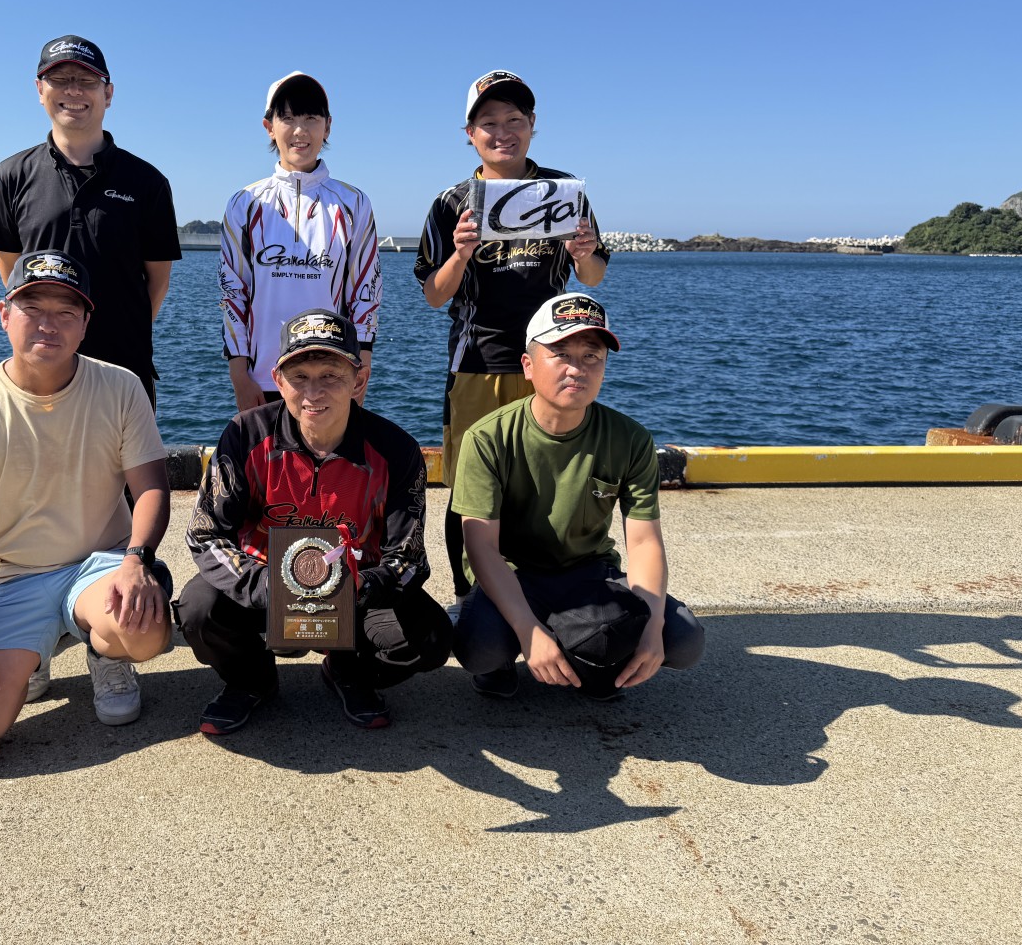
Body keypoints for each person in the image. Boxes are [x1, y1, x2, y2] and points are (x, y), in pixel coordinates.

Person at [0, 250, 173, 766]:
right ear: (4, 314)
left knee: (143, 632)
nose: (48, 324)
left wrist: (136, 560)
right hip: (9, 577)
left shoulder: (121, 387)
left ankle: (106, 654)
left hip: (97, 566)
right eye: (33, 308)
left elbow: (151, 487)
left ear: (85, 324)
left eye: (66, 312)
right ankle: (31, 657)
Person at [179, 308, 451, 735]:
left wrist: (363, 586)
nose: (313, 391)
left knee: (430, 638)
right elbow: (205, 533)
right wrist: (266, 586)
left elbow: (409, 557)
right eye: (299, 376)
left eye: (331, 375)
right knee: (198, 609)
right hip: (263, 585)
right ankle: (252, 680)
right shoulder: (245, 435)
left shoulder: (396, 450)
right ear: (278, 379)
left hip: (357, 595)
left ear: (358, 380)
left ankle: (347, 669)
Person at [414, 69, 611, 608]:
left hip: (551, 357)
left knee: (546, 481)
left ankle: (543, 592)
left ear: (532, 125)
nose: (502, 132)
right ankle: (470, 601)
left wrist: (583, 253)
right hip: (477, 361)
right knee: (472, 488)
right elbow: (433, 294)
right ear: (470, 134)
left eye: (514, 120)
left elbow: (593, 276)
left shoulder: (564, 192)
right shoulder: (453, 201)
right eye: (489, 123)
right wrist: (460, 253)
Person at [451, 291, 704, 699]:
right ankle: (522, 657)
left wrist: (652, 624)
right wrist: (528, 630)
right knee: (481, 649)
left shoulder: (630, 439)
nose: (577, 369)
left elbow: (644, 542)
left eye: (591, 356)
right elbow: (481, 547)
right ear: (528, 366)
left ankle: (595, 660)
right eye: (561, 354)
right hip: (515, 574)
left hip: (588, 572)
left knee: (683, 639)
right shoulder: (487, 438)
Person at [0, 35, 180, 406]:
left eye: (87, 80)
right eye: (60, 79)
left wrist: (118, 328)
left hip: (124, 368)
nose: (74, 90)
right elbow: (12, 272)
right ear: (40, 90)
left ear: (108, 93)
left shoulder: (148, 182)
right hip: (41, 370)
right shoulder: (11, 175)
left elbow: (158, 282)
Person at [221, 72, 380, 411]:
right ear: (269, 126)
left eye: (311, 118)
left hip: (333, 378)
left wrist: (359, 371)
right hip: (261, 379)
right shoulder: (244, 203)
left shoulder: (354, 204)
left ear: (328, 126)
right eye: (288, 118)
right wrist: (239, 375)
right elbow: (233, 293)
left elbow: (365, 293)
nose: (300, 130)